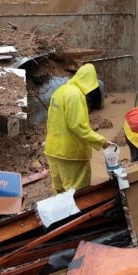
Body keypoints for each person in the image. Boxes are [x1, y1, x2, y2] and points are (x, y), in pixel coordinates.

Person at [44, 63, 115, 193]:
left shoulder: (60, 91)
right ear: (90, 81)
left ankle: (61, 214)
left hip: (53, 150)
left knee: (59, 191)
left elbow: (51, 120)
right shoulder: (76, 95)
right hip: (70, 154)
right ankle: (76, 214)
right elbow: (78, 126)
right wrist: (102, 141)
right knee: (77, 192)